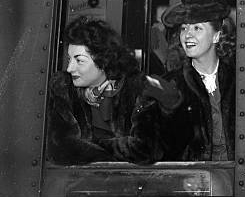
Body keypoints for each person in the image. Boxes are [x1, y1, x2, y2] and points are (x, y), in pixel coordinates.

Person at [47, 17, 164, 164]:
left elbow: (146, 149)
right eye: (69, 59)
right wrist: (112, 152)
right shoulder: (63, 87)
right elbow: (60, 148)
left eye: (79, 60)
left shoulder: (136, 87)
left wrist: (91, 148)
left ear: (104, 61)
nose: (70, 68)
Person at [158, 0, 236, 161]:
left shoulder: (239, 82)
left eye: (197, 28)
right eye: (184, 28)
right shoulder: (169, 85)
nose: (187, 35)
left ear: (216, 36)